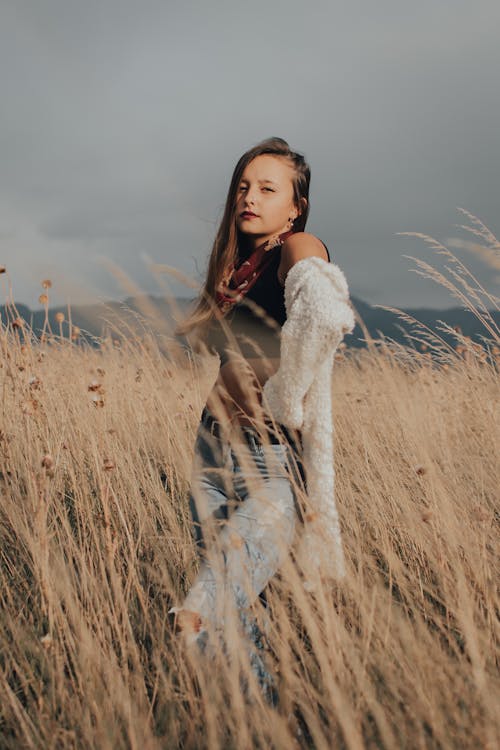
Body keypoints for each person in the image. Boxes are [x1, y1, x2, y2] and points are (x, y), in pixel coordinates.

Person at [170, 137, 354, 703]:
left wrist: (284, 391)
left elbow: (325, 314)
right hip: (211, 451)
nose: (250, 197)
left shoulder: (298, 246)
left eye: (268, 188)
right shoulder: (238, 269)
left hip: (271, 457)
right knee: (236, 619)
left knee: (200, 613)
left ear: (295, 205)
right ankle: (269, 727)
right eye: (244, 187)